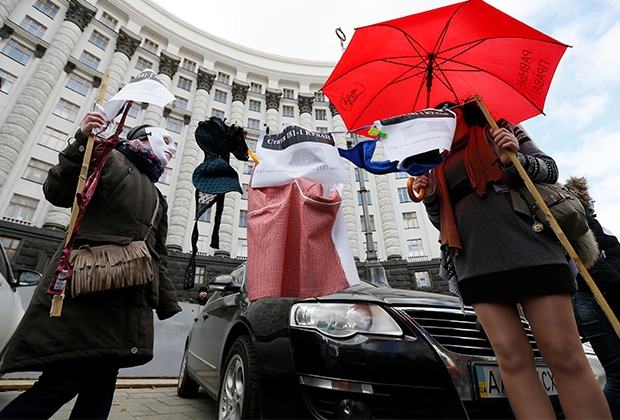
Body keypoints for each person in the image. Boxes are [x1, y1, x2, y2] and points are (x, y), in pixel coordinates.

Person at [412, 101, 611, 420]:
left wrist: (515, 157)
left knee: (564, 355)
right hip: (474, 259)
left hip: (531, 246)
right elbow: (442, 221)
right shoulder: (432, 150)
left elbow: (549, 169)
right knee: (512, 362)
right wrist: (432, 195)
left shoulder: (496, 119)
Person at [0, 112, 181, 420]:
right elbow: (57, 191)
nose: (173, 148)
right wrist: (82, 141)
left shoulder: (157, 195)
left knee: (101, 386)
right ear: (141, 139)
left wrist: (165, 302)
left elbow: (157, 254)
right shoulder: (107, 159)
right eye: (166, 139)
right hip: (87, 295)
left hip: (126, 303)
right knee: (62, 383)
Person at [565, 176, 620, 419]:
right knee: (618, 371)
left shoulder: (590, 221)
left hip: (599, 294)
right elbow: (590, 262)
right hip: (594, 296)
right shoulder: (575, 219)